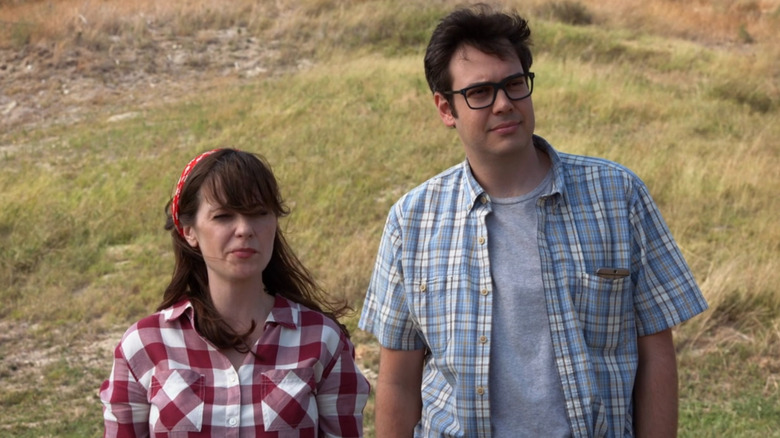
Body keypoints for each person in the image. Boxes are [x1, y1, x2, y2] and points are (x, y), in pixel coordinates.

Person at [359, 4, 708, 438]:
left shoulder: (618, 196)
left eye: (514, 84)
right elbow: (397, 380)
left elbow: (656, 353)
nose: (504, 104)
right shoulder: (411, 221)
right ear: (446, 109)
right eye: (480, 92)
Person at [100, 148, 370, 437]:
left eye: (259, 213)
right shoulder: (143, 345)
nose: (244, 229)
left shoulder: (322, 340)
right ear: (188, 231)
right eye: (224, 216)